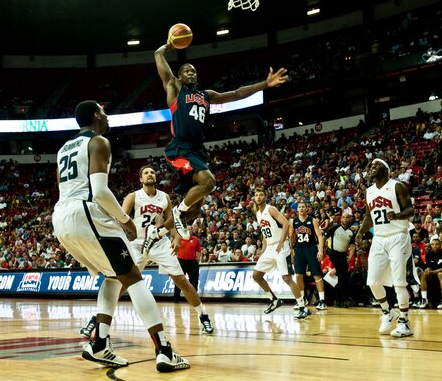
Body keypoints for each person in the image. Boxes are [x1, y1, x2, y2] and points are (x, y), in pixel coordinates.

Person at [52, 100, 189, 372]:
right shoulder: (98, 141)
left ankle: (100, 343)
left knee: (114, 277)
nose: (107, 116)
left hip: (62, 218)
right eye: (103, 112)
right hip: (86, 211)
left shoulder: (63, 149)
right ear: (95, 116)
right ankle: (164, 350)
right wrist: (126, 221)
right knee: (134, 278)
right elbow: (100, 191)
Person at [154, 43, 288, 238]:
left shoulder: (206, 95)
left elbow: (237, 93)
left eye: (193, 71)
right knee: (209, 183)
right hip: (181, 147)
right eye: (186, 71)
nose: (191, 73)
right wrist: (165, 47)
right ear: (180, 76)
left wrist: (264, 85)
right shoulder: (175, 88)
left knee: (195, 209)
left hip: (198, 150)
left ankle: (156, 233)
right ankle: (177, 213)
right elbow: (161, 63)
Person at [80, 165, 213, 337]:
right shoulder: (133, 196)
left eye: (152, 172)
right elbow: (120, 219)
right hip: (137, 244)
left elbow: (172, 220)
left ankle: (203, 315)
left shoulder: (164, 197)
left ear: (155, 178)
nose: (150, 174)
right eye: (146, 173)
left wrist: (177, 237)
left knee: (181, 280)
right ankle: (95, 320)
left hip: (159, 242)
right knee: (119, 285)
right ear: (141, 179)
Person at [356, 158, 415, 337]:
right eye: (370, 165)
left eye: (376, 165)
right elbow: (368, 216)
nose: (372, 167)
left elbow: (410, 210)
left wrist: (397, 215)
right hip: (379, 238)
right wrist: (360, 232)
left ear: (386, 170)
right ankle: (388, 311)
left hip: (398, 236)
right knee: (373, 281)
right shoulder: (369, 191)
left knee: (399, 283)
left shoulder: (397, 186)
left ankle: (404, 322)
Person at [251, 187, 310, 320]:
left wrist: (281, 242)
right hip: (270, 248)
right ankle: (274, 300)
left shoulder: (271, 209)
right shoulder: (258, 214)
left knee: (287, 278)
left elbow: (286, 224)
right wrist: (263, 250)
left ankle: (302, 307)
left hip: (281, 246)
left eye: (261, 194)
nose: (258, 197)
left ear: (265, 197)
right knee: (256, 275)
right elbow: (265, 233)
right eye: (256, 195)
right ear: (254, 198)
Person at [291, 203, 327, 310]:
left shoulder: (313, 220)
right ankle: (301, 300)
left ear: (307, 209)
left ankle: (322, 300)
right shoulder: (293, 221)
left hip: (311, 249)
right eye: (300, 207)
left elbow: (320, 237)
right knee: (298, 275)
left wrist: (320, 251)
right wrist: (291, 252)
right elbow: (291, 238)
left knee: (317, 275)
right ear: (297, 209)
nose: (302, 208)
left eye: (303, 206)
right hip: (299, 250)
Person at [324, 213, 356, 307]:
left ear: (350, 219)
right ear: (341, 219)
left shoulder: (351, 232)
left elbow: (353, 245)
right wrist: (321, 250)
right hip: (333, 252)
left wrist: (351, 256)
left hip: (343, 254)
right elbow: (323, 237)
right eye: (344, 217)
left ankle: (338, 300)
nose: (345, 219)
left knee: (343, 276)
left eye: (347, 217)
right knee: (342, 275)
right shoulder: (334, 228)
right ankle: (343, 299)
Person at [414, 237, 442, 308]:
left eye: (436, 244)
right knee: (424, 274)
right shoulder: (429, 254)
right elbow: (428, 266)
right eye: (433, 244)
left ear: (440, 245)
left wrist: (434, 271)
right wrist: (428, 270)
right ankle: (424, 300)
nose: (434, 246)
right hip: (433, 273)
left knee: (440, 274)